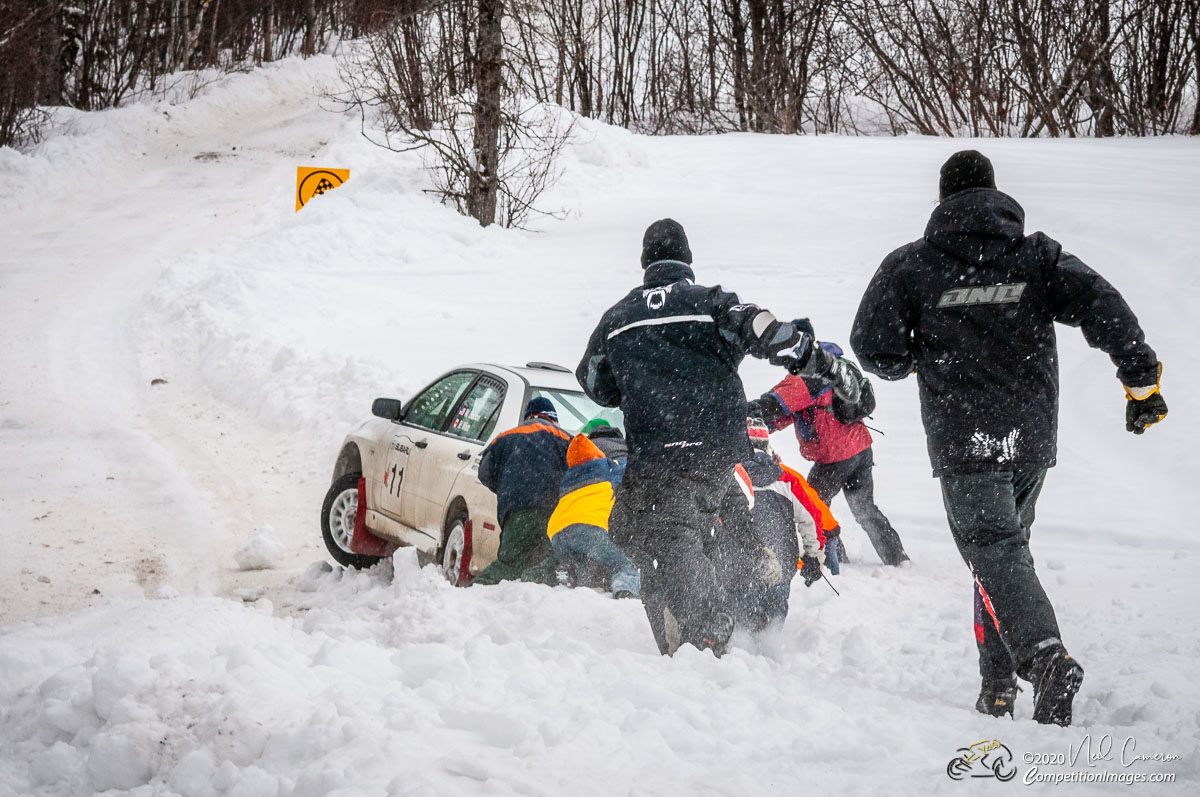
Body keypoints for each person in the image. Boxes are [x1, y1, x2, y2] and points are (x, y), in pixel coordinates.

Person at [850, 150, 1167, 726]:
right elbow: (1102, 303)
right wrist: (1138, 373)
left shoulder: (913, 265)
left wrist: (917, 358)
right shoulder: (1035, 255)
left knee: (993, 551)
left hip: (963, 436)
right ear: (994, 195)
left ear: (943, 199)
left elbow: (873, 347)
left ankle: (1044, 658)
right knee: (1001, 554)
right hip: (1029, 436)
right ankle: (996, 687)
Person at [576, 217, 859, 656]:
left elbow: (593, 381)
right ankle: (728, 571)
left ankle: (711, 630)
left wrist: (640, 378)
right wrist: (810, 354)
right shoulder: (710, 304)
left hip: (659, 456)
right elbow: (764, 329)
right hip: (718, 451)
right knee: (647, 525)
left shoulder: (617, 320)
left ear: (645, 262)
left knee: (662, 532)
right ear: (687, 260)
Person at [749, 340, 909, 567]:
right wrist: (763, 427)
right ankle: (898, 558)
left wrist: (741, 413)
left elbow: (773, 404)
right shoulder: (836, 370)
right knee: (864, 508)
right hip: (861, 449)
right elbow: (787, 413)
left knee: (814, 506)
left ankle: (836, 560)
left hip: (835, 458)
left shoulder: (806, 379)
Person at [718, 419, 824, 631]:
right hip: (780, 566)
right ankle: (771, 651)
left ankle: (739, 654)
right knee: (773, 622)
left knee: (739, 625)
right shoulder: (786, 479)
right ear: (766, 444)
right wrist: (814, 556)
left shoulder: (724, 478)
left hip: (735, 567)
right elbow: (810, 519)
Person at [473, 397, 571, 586]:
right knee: (549, 565)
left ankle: (472, 594)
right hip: (553, 514)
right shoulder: (567, 440)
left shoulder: (505, 437)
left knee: (508, 565)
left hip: (517, 513)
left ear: (528, 416)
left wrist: (508, 489)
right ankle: (533, 596)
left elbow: (484, 473)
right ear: (554, 419)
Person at [545, 431, 641, 598]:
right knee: (624, 565)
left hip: (558, 532)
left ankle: (571, 570)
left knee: (584, 562)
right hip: (590, 527)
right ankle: (625, 590)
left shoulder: (568, 477)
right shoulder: (610, 466)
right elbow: (635, 474)